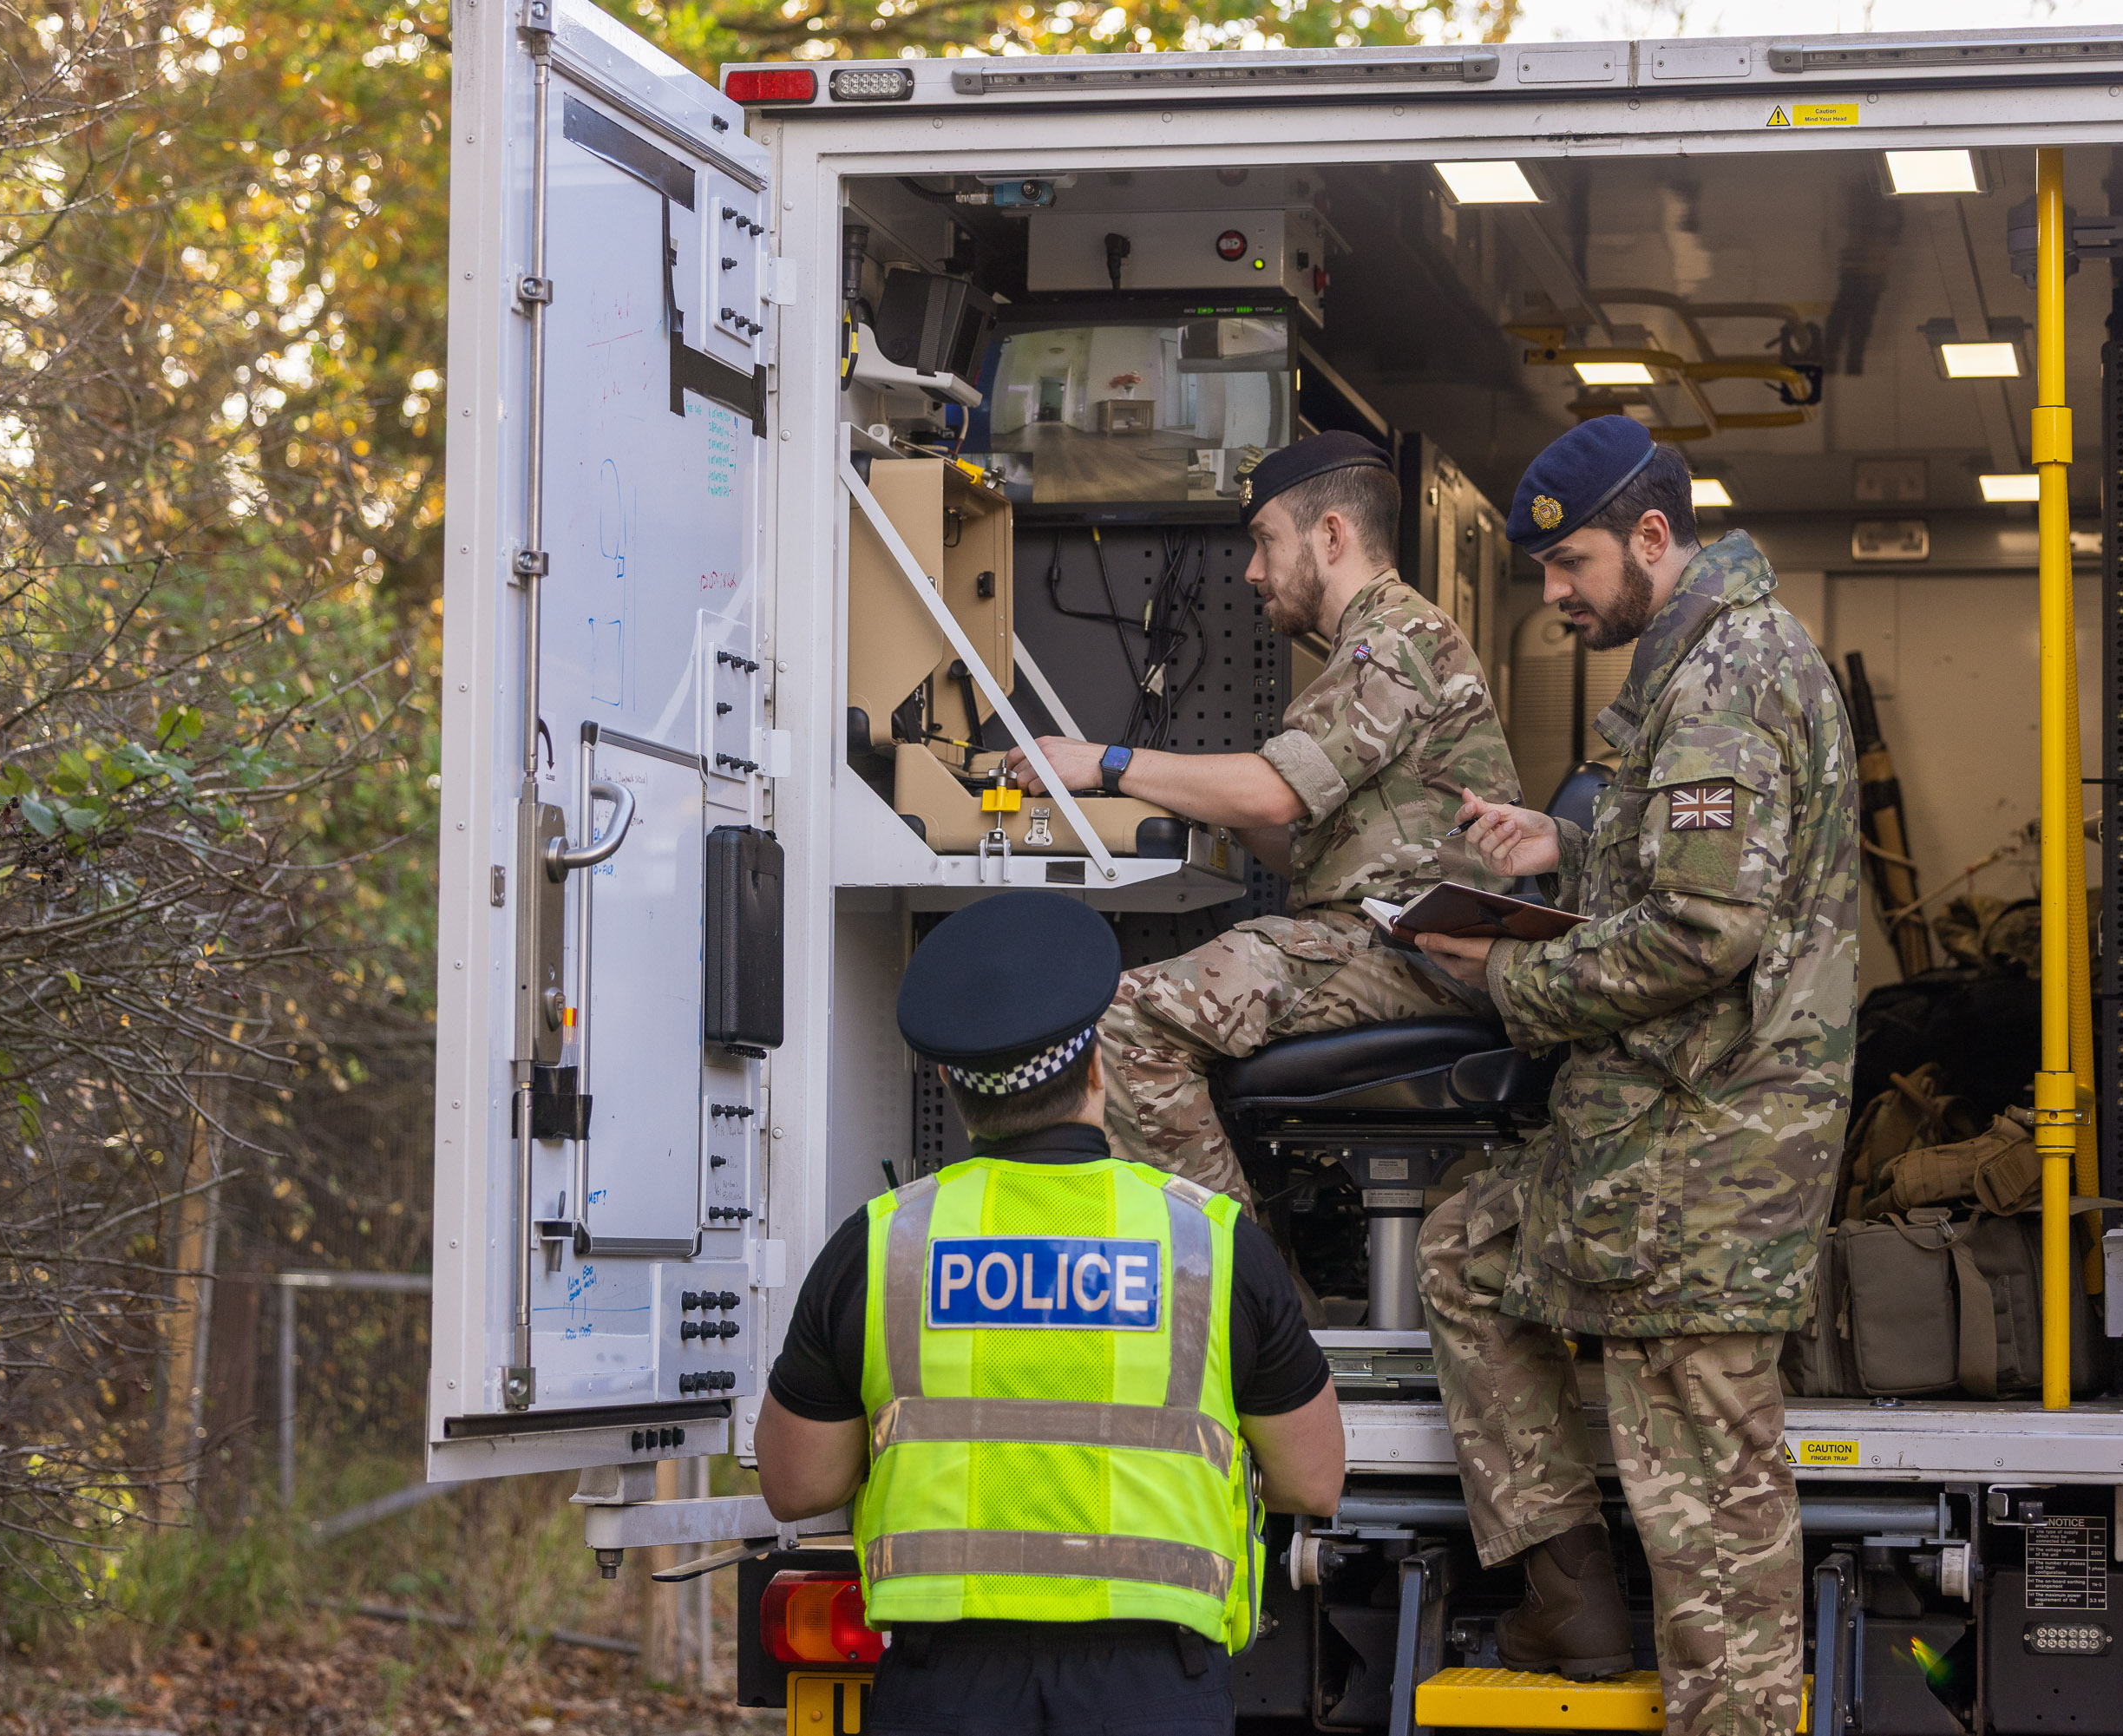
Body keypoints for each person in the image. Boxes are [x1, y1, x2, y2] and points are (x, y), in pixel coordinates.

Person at [1406, 419, 1859, 1736]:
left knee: (1713, 1527)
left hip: (1704, 1164)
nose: (1555, 595)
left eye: (1574, 566)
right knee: (1465, 1250)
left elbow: (1704, 934)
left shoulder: (1728, 676)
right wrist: (1561, 848)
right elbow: (1686, 878)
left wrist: (1505, 981)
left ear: (1654, 538)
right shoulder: (1696, 664)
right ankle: (1569, 1589)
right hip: (1649, 1141)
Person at [755, 890, 1346, 1736]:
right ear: (1098, 1066)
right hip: (1151, 1686)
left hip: (943, 1684)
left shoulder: (882, 1243)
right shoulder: (1209, 1242)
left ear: (957, 1086)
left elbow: (798, 1483)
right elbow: (1312, 1479)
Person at [1005, 430, 1520, 1205]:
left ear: (1332, 535)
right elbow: (1295, 844)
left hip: (1411, 950)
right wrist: (1186, 794)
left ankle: (1234, 1281)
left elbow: (1275, 793)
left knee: (1125, 1017)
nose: (1252, 570)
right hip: (1388, 941)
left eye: (1264, 541)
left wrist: (1106, 763)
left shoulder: (1394, 640)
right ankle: (1262, 1269)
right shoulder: (1379, 643)